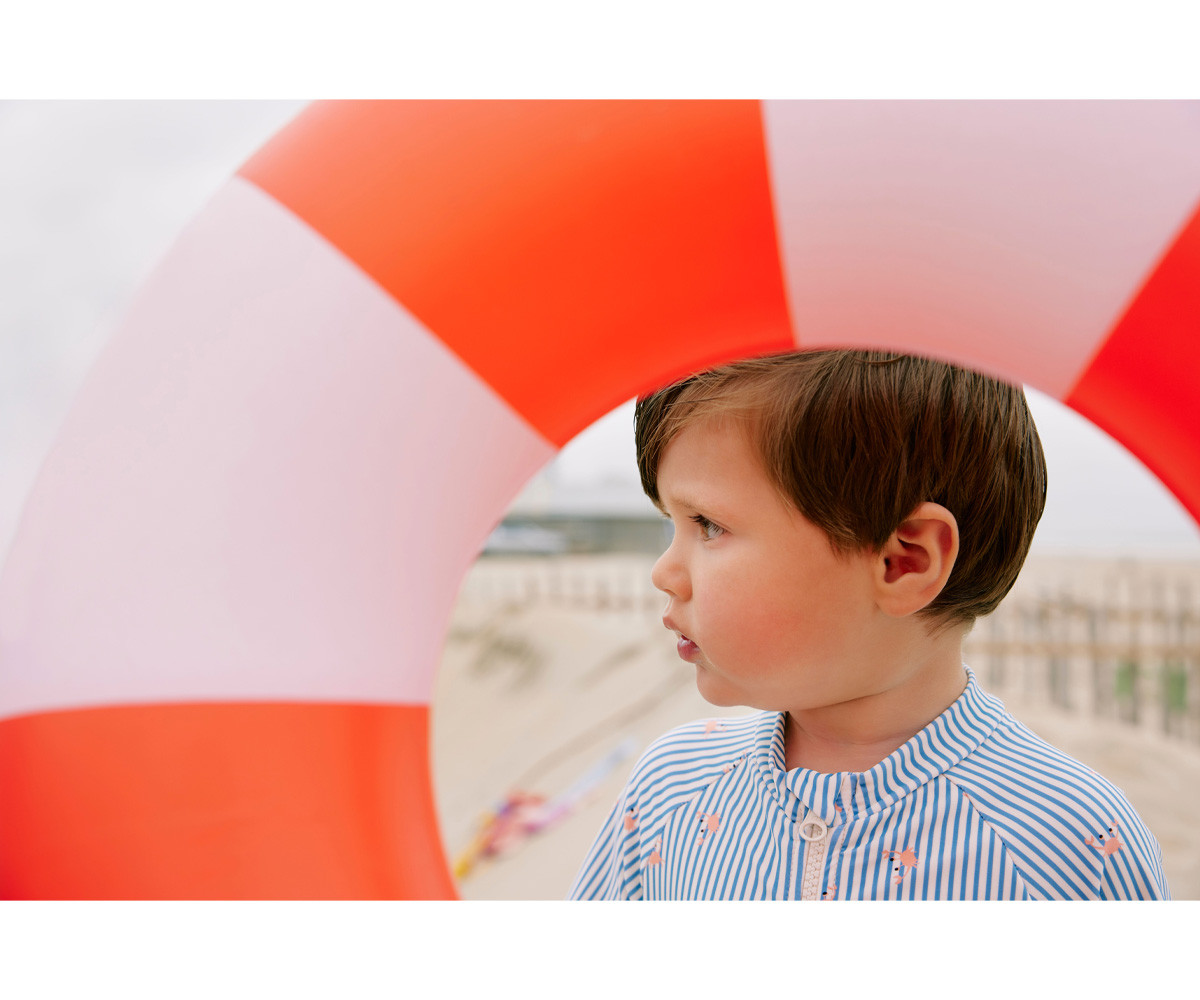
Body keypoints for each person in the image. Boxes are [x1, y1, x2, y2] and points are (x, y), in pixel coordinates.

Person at [569, 349, 1169, 900]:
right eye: (670, 522)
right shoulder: (670, 790)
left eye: (708, 524)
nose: (664, 572)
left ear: (903, 562)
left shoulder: (1070, 845)